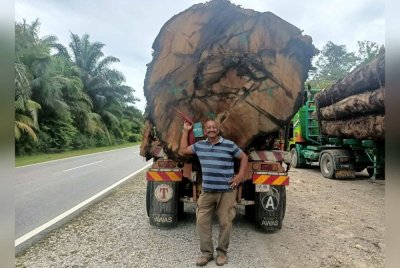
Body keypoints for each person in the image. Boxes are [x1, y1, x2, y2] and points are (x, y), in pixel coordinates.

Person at [179, 119, 248, 266]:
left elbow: (244, 157)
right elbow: (183, 150)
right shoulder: (200, 146)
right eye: (209, 127)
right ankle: (207, 253)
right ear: (205, 131)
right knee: (202, 221)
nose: (211, 129)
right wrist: (185, 131)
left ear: (218, 130)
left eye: (214, 127)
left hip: (227, 192)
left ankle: (222, 253)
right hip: (207, 191)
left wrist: (240, 176)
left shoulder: (229, 145)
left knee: (225, 222)